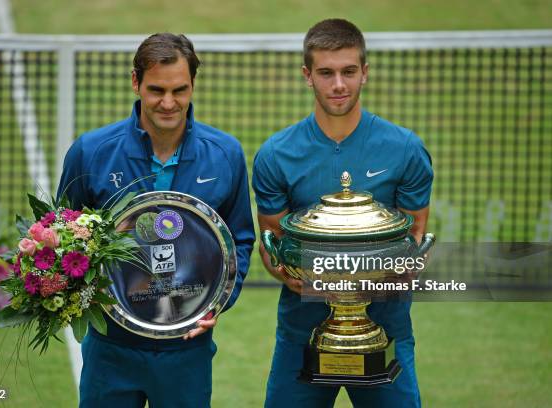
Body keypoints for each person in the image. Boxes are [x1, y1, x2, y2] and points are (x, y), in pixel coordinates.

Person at [57, 33, 255, 408]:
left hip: (187, 349)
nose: (168, 103)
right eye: (156, 90)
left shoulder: (226, 154)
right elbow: (63, 237)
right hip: (110, 346)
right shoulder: (90, 151)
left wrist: (216, 302)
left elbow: (239, 239)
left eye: (180, 90)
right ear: (135, 82)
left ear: (193, 84)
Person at [252, 19, 433, 408]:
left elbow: (414, 240)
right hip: (302, 329)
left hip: (385, 325)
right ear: (307, 75)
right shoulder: (275, 154)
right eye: (326, 73)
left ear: (365, 73)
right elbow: (273, 248)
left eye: (349, 71)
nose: (338, 85)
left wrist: (372, 286)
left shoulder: (405, 149)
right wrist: (310, 284)